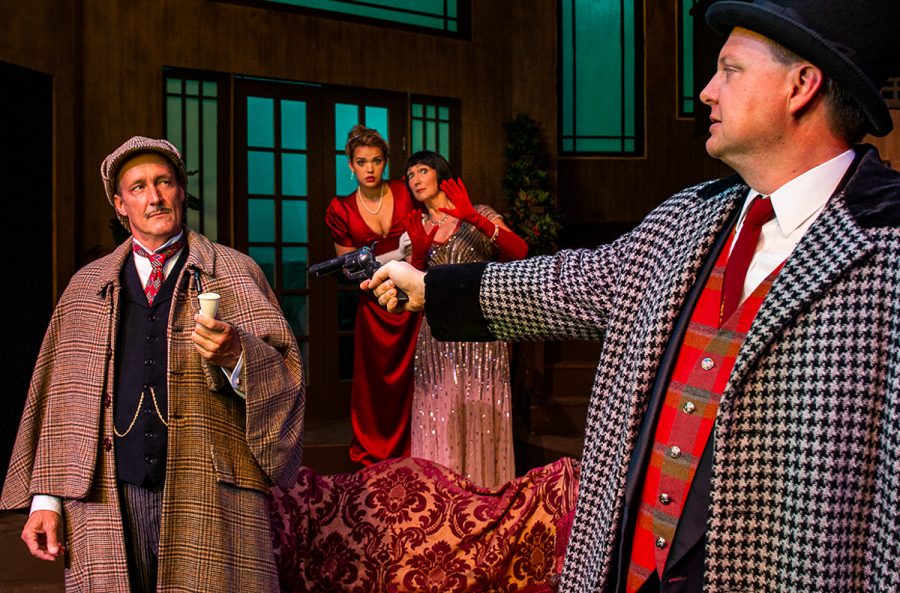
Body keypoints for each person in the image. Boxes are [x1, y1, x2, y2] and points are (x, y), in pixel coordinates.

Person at [364, 1, 900, 591]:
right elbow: (581, 283)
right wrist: (433, 289)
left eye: (730, 70)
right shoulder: (689, 217)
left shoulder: (886, 248)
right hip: (627, 568)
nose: (706, 92)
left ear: (802, 85)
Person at [1, 136, 306, 592]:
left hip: (209, 490)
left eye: (164, 182)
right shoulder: (87, 285)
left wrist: (238, 356)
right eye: (139, 187)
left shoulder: (236, 271)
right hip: (106, 492)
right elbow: (59, 397)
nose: (155, 197)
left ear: (181, 191)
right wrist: (46, 499)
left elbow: (287, 376)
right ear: (121, 204)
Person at [403, 150, 528, 487]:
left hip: (479, 328)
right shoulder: (418, 226)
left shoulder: (479, 211)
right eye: (410, 174)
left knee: (479, 407)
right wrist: (417, 251)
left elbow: (520, 252)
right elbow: (413, 290)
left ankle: (485, 490)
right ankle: (440, 494)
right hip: (437, 332)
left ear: (441, 173)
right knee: (438, 411)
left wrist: (475, 218)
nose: (415, 179)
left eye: (422, 170)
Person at [324, 124, 421, 466]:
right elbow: (350, 268)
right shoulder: (340, 208)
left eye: (376, 161)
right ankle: (375, 447)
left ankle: (414, 445)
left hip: (413, 300)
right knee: (376, 383)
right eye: (362, 162)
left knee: (414, 376)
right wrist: (393, 256)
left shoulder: (406, 192)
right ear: (350, 165)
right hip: (375, 302)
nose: (369, 169)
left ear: (385, 163)